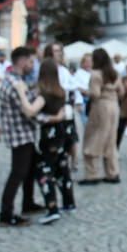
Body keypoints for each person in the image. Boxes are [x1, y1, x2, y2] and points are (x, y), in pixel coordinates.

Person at [0, 46, 63, 227]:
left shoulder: (15, 80)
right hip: (20, 135)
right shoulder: (15, 84)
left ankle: (28, 203)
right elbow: (29, 112)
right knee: (18, 173)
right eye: (31, 62)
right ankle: (6, 213)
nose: (33, 66)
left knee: (30, 169)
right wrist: (53, 118)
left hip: (23, 134)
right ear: (22, 61)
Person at [11, 58, 76, 224]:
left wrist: (20, 93)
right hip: (64, 135)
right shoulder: (61, 91)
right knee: (62, 168)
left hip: (51, 137)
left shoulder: (45, 95)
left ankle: (52, 207)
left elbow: (30, 111)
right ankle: (69, 202)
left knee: (44, 170)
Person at [81, 48, 123, 184]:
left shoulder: (95, 75)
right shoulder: (115, 73)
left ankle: (92, 174)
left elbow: (95, 94)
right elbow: (121, 92)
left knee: (93, 137)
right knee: (110, 140)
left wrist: (84, 92)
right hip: (114, 106)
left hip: (101, 107)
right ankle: (113, 172)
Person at [43, 42, 84, 170]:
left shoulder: (63, 70)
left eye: (60, 50)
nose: (59, 53)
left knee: (70, 136)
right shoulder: (47, 70)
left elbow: (74, 85)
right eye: (56, 51)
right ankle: (55, 161)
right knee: (54, 136)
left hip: (65, 106)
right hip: (52, 106)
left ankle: (72, 161)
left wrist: (78, 100)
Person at [73, 52, 93, 128]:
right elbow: (77, 89)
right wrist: (79, 103)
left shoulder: (93, 73)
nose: (87, 64)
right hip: (84, 101)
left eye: (89, 62)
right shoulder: (79, 73)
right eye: (85, 62)